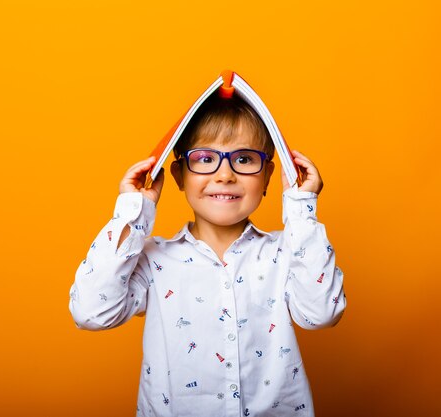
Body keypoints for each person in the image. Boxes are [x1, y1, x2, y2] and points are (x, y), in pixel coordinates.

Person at [69, 93, 346, 417]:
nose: (225, 174)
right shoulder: (154, 260)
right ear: (178, 176)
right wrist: (134, 210)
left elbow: (322, 313)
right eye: (204, 158)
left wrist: (302, 207)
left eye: (244, 159)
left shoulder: (288, 253)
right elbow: (91, 312)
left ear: (269, 176)